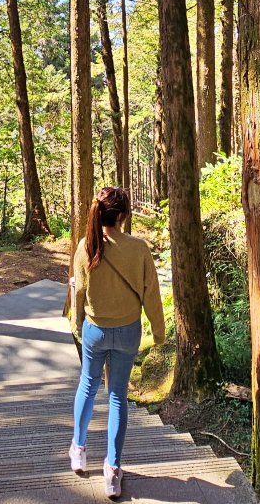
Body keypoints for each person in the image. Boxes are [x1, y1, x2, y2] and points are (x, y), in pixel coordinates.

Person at [69, 186, 166, 499]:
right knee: (117, 398)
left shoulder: (86, 247)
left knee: (87, 385)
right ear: (124, 215)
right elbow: (151, 293)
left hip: (95, 331)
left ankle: (79, 449)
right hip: (127, 332)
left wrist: (76, 325)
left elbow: (79, 293)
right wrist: (160, 331)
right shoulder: (138, 249)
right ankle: (112, 471)